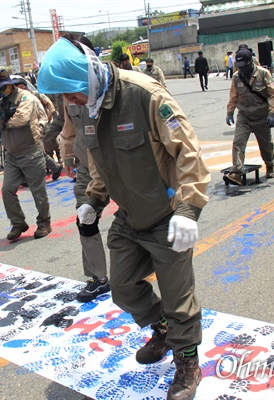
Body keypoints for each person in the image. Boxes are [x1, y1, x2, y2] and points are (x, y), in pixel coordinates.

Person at [38, 35, 210, 400]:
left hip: (166, 215)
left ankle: (188, 363)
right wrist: (94, 201)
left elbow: (188, 151)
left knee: (180, 300)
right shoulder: (92, 104)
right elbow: (102, 161)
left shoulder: (144, 94)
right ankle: (161, 330)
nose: (71, 102)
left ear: (90, 74)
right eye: (65, 97)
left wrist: (188, 208)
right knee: (123, 289)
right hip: (130, 216)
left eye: (72, 93)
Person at [57, 37, 111, 302]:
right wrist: (68, 159)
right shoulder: (69, 95)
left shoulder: (109, 85)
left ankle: (140, 274)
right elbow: (69, 129)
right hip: (87, 170)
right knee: (85, 222)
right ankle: (97, 278)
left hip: (117, 166)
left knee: (138, 224)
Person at [0, 69, 52, 241]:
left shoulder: (25, 97)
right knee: (7, 190)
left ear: (10, 84)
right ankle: (18, 223)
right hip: (11, 154)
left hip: (30, 151)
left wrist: (4, 120)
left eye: (3, 87)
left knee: (38, 192)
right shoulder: (0, 103)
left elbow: (21, 119)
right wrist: (4, 116)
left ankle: (44, 222)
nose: (1, 92)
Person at [224, 49, 274, 186]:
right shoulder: (237, 77)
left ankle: (270, 164)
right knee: (238, 143)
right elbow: (234, 96)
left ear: (250, 62)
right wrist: (230, 112)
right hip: (244, 115)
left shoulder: (263, 74)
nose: (241, 68)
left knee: (266, 145)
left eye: (244, 65)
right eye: (239, 65)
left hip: (261, 115)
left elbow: (273, 95)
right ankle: (236, 172)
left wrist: (272, 113)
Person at [14, 78, 64, 180]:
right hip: (25, 130)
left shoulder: (34, 96)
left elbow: (46, 111)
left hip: (38, 128)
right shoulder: (17, 99)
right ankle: (55, 167)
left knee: (38, 151)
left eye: (22, 88)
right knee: (36, 152)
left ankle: (39, 173)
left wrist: (41, 125)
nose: (20, 91)